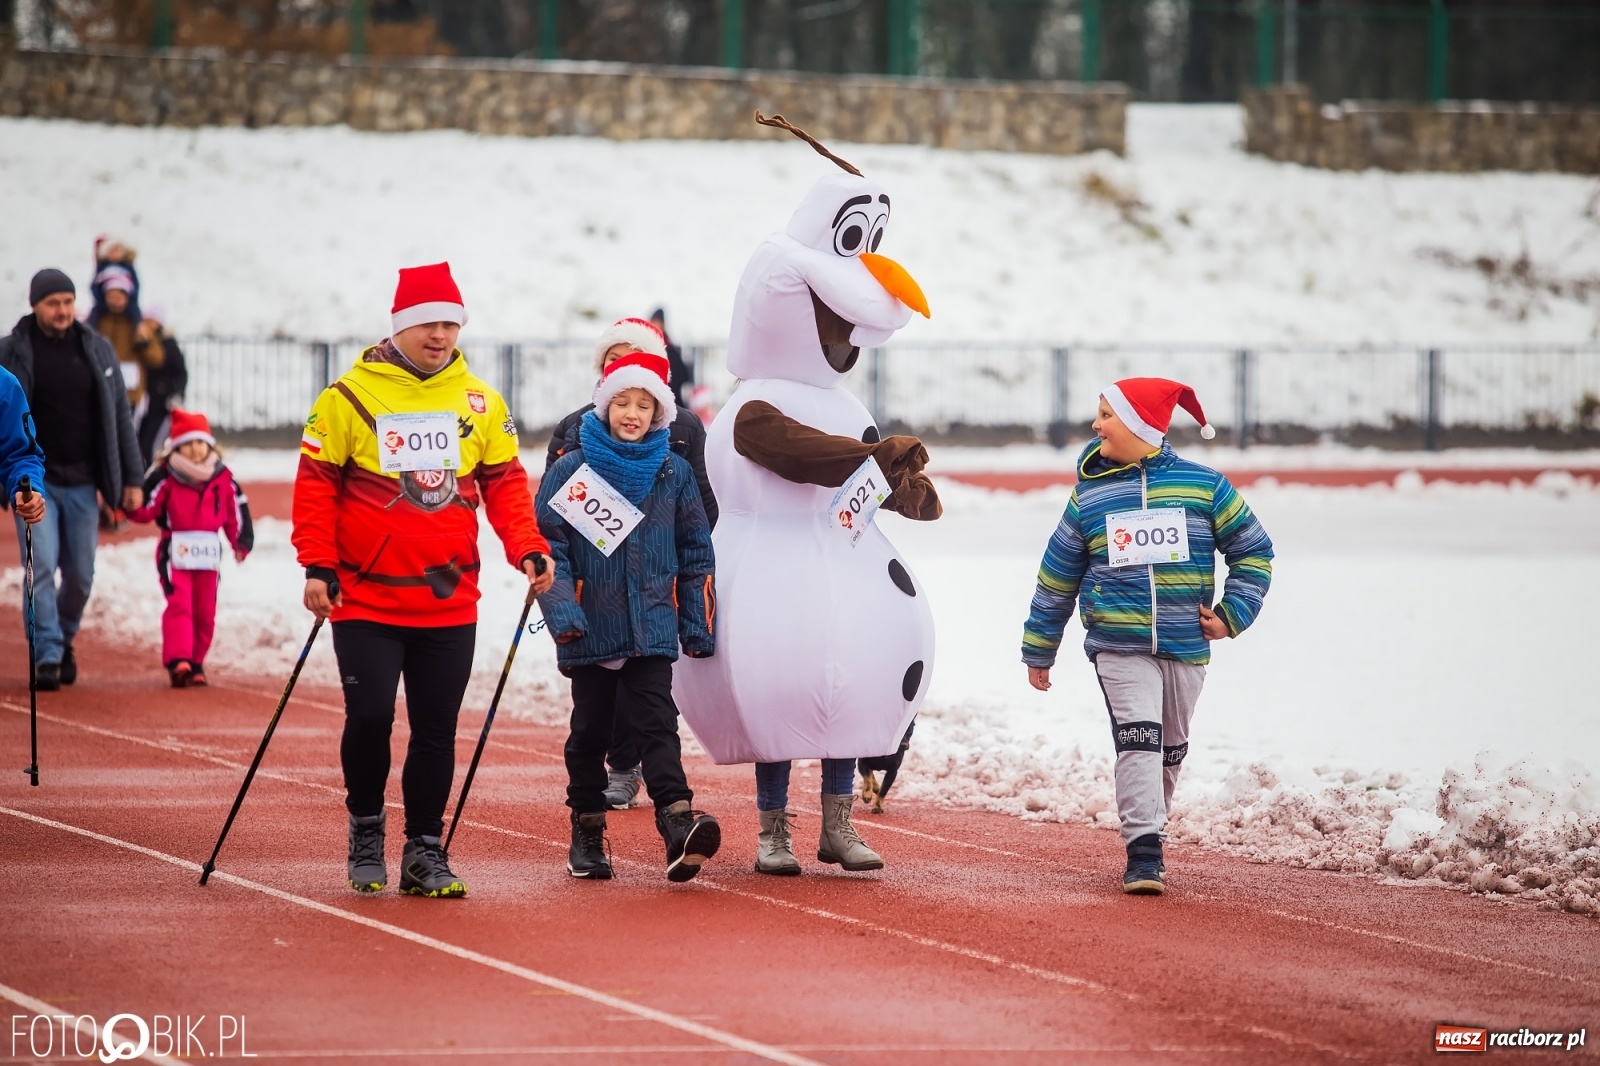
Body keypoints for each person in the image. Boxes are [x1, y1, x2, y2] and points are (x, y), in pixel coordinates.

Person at [293, 262, 555, 898]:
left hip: (448, 598)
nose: (440, 335)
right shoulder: (349, 397)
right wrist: (317, 563)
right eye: (428, 323)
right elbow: (316, 486)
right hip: (365, 596)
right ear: (402, 326)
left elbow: (504, 485)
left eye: (450, 323)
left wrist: (528, 546)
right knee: (371, 717)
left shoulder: (480, 401)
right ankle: (365, 828)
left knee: (437, 728)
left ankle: (424, 850)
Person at [1021, 377, 1274, 896]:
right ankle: (1144, 852)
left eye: (1107, 415)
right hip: (1118, 645)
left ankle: (1150, 827)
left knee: (1170, 748)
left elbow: (1254, 552)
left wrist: (1233, 613)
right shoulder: (1089, 498)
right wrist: (1040, 646)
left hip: (1187, 645)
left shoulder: (1205, 487)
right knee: (1139, 738)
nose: (1095, 425)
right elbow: (1056, 576)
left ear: (1140, 424)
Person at [535, 343, 719, 883]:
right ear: (604, 408)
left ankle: (677, 823)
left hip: (653, 626)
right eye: (622, 403)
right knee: (589, 734)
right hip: (591, 627)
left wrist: (697, 626)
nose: (633, 414)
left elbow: (696, 551)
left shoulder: (674, 472)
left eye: (644, 404)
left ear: (660, 413)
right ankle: (587, 834)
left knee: (658, 726)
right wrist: (564, 613)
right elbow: (550, 549)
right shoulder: (573, 469)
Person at [0, 269, 144, 690]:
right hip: (34, 480)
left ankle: (60, 637)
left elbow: (119, 417)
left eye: (67, 302)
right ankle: (45, 651)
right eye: (52, 303)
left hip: (84, 480)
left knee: (81, 576)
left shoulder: (96, 348)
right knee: (40, 566)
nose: (62, 311)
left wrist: (131, 478)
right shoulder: (11, 352)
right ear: (35, 305)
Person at [125, 409, 253, 688]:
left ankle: (196, 662)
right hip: (176, 554)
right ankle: (178, 660)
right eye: (188, 443)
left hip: (208, 558)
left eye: (200, 442)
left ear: (209, 444)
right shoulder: (165, 478)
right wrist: (129, 506)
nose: (195, 449)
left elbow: (235, 513)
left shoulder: (224, 480)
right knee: (180, 605)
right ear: (176, 447)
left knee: (205, 611)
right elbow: (146, 507)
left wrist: (240, 543)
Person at [133, 310, 189, 468]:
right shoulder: (141, 343)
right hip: (146, 403)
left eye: (150, 320)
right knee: (140, 442)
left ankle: (152, 474)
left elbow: (181, 373)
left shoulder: (169, 345)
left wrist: (176, 394)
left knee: (153, 443)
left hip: (163, 404)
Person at [650, 307, 693, 408]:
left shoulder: (669, 348)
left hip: (670, 398)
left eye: (657, 322)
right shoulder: (646, 345)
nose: (655, 325)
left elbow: (682, 374)